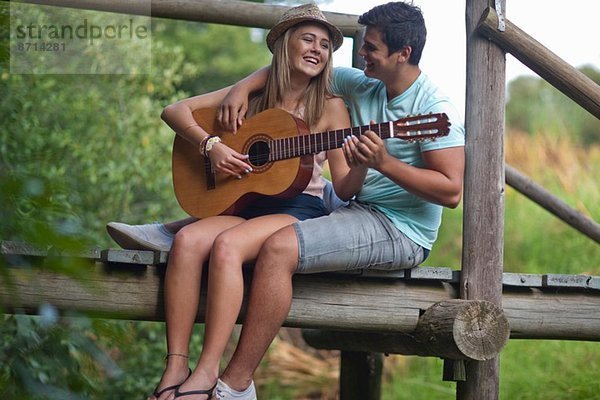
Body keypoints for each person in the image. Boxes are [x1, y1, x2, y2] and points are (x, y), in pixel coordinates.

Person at [202, 2, 466, 398]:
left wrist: (385, 163)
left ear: (403, 54)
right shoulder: (362, 83)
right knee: (265, 208)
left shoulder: (433, 108)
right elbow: (295, 69)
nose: (362, 55)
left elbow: (451, 191)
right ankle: (180, 235)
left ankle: (235, 385)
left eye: (371, 48)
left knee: (279, 248)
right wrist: (241, 88)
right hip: (350, 205)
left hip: (398, 228)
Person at [144, 4, 349, 400]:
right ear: (285, 45)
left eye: (325, 45)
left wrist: (364, 164)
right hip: (246, 205)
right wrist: (211, 145)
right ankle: (175, 364)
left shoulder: (331, 107)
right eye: (308, 39)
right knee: (186, 243)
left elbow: (343, 182)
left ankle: (206, 373)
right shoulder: (253, 95)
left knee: (225, 249)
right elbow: (174, 110)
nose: (317, 49)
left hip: (296, 211)